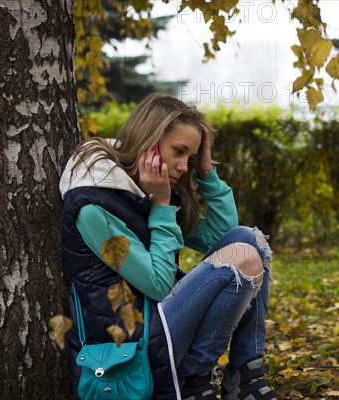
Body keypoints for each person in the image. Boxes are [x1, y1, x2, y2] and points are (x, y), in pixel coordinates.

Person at [59, 93, 276, 400]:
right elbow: (158, 286)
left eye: (191, 156)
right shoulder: (93, 209)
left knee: (251, 241)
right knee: (242, 255)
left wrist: (206, 173)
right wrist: (161, 207)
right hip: (135, 341)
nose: (184, 166)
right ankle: (192, 379)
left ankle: (246, 372)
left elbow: (225, 234)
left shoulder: (149, 189)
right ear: (149, 140)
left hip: (162, 323)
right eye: (179, 152)